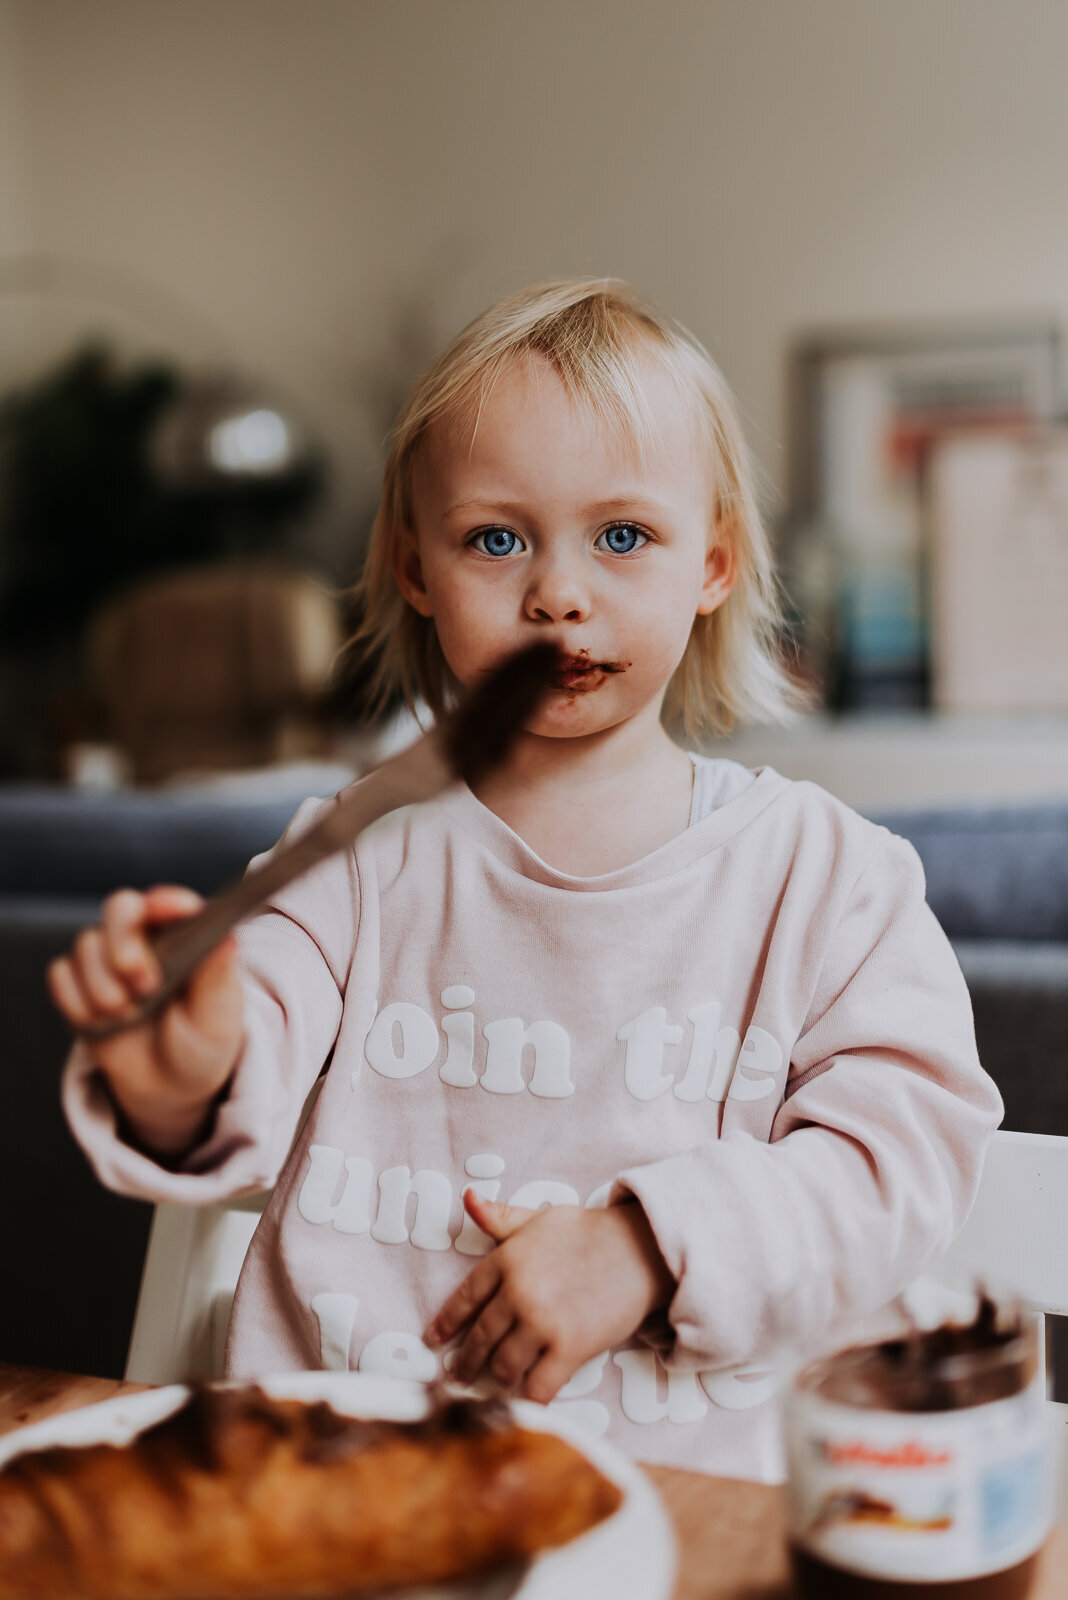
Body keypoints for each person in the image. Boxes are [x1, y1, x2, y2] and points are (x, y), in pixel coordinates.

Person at [49, 279, 1002, 1480]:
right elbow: (248, 1048)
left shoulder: (828, 881)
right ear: (416, 571)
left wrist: (650, 1248)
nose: (558, 591)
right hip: (349, 1492)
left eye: (622, 536)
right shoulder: (350, 853)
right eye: (497, 539)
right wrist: (184, 1072)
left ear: (709, 563)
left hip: (694, 1512)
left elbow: (901, 1161)